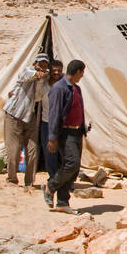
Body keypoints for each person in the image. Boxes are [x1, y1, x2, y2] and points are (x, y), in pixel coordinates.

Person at [45, 59, 89, 213]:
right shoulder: (59, 88)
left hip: (77, 132)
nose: (82, 75)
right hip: (66, 132)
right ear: (77, 72)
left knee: (72, 168)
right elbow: (54, 113)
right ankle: (50, 186)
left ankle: (63, 202)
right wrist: (52, 137)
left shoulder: (76, 88)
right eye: (82, 72)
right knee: (72, 163)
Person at [2, 53, 48, 188]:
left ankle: (29, 181)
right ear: (35, 64)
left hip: (30, 116)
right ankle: (12, 179)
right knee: (13, 150)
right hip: (14, 114)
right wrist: (37, 75)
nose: (42, 67)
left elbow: (39, 96)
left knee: (32, 150)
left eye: (45, 65)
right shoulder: (27, 71)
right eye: (40, 64)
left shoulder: (44, 79)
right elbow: (27, 75)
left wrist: (42, 78)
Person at [36, 59, 64, 183]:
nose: (57, 73)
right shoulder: (45, 85)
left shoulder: (66, 85)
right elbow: (37, 97)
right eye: (54, 71)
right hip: (47, 122)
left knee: (63, 152)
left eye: (59, 70)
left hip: (62, 123)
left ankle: (65, 179)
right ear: (50, 71)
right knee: (49, 153)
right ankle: (53, 177)